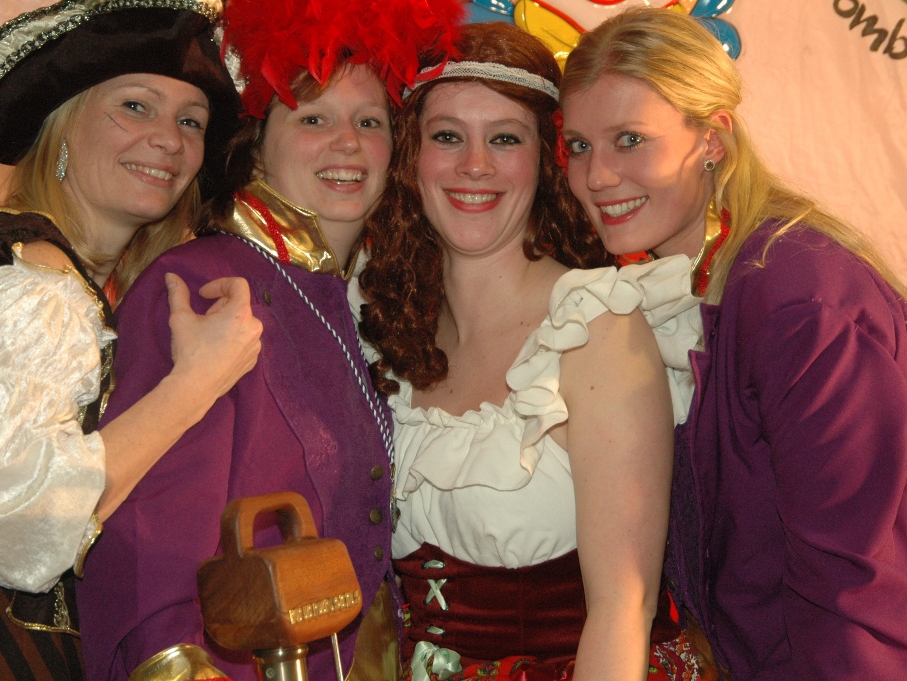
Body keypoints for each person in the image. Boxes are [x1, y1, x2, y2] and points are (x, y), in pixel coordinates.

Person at [74, 1, 462, 679]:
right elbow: (145, 536)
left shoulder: (361, 298)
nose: (348, 144)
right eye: (314, 119)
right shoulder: (202, 283)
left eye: (369, 122)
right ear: (255, 144)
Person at [0, 1, 263, 678]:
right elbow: (18, 532)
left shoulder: (63, 279)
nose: (169, 140)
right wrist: (196, 382)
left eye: (191, 122)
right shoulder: (32, 286)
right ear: (62, 127)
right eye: (136, 107)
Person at [559, 8, 907, 680]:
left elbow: (852, 597)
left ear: (712, 140)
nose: (596, 176)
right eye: (579, 145)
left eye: (630, 140)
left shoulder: (798, 301)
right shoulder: (687, 285)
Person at [357, 22, 704, 681]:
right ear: (411, 156)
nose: (475, 165)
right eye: (448, 136)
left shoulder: (596, 326)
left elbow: (622, 609)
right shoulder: (388, 326)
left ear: (545, 160)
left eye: (505, 138)